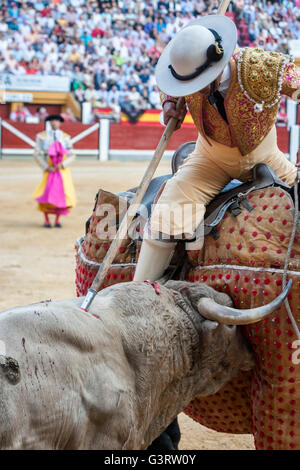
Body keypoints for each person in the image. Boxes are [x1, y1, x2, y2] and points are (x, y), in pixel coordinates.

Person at [133, 14, 300, 282]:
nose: (191, 91)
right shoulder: (186, 68)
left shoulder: (262, 66)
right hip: (210, 158)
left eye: (195, 84)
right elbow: (170, 85)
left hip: (266, 156)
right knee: (168, 212)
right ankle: (140, 290)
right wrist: (168, 104)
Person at [32, 114, 76, 228]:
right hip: (49, 169)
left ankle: (57, 220)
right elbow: (37, 154)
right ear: (49, 122)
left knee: (61, 194)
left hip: (62, 170)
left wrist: (62, 165)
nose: (54, 122)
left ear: (60, 122)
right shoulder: (41, 136)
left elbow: (72, 154)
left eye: (56, 120)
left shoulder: (66, 137)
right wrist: (46, 166)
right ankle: (46, 219)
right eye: (52, 120)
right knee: (46, 193)